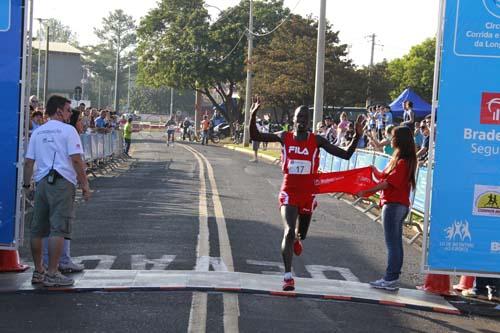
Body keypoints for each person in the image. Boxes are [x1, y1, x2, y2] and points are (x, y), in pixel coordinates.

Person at [250, 97, 364, 291]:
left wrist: (357, 136)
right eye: (299, 117)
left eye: (305, 117)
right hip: (289, 191)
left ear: (308, 120)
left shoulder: (316, 140)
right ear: (293, 120)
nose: (302, 120)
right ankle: (287, 276)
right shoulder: (284, 136)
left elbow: (345, 155)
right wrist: (253, 114)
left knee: (301, 234)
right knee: (288, 230)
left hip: (308, 193)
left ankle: (297, 238)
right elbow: (256, 135)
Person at [23, 95, 91, 287]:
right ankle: (53, 272)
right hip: (62, 182)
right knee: (58, 228)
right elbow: (77, 160)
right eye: (69, 110)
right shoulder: (68, 131)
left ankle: (39, 271)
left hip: (42, 181)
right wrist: (85, 185)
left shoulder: (38, 132)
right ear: (59, 110)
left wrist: (27, 186)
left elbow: (29, 162)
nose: (71, 114)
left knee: (38, 229)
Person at [356, 126, 417, 291]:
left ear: (399, 140)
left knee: (393, 244)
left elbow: (387, 183)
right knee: (395, 243)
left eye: (393, 136)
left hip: (394, 205)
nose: (390, 139)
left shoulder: (404, 162)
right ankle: (392, 277)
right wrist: (373, 171)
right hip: (395, 204)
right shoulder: (400, 159)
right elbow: (384, 176)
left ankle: (390, 278)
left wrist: (366, 192)